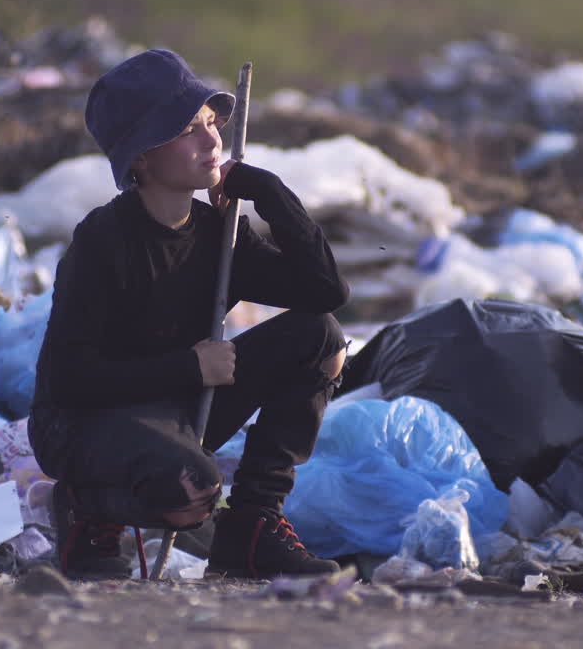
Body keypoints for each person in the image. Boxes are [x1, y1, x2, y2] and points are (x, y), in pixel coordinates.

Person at [28, 49, 350, 581]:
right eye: (186, 129)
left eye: (210, 122)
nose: (211, 139)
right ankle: (88, 509)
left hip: (176, 408)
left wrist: (269, 193)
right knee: (193, 494)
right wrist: (191, 368)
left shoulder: (217, 234)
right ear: (141, 158)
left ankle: (251, 529)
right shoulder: (103, 240)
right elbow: (70, 380)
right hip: (85, 423)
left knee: (322, 340)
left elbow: (325, 292)